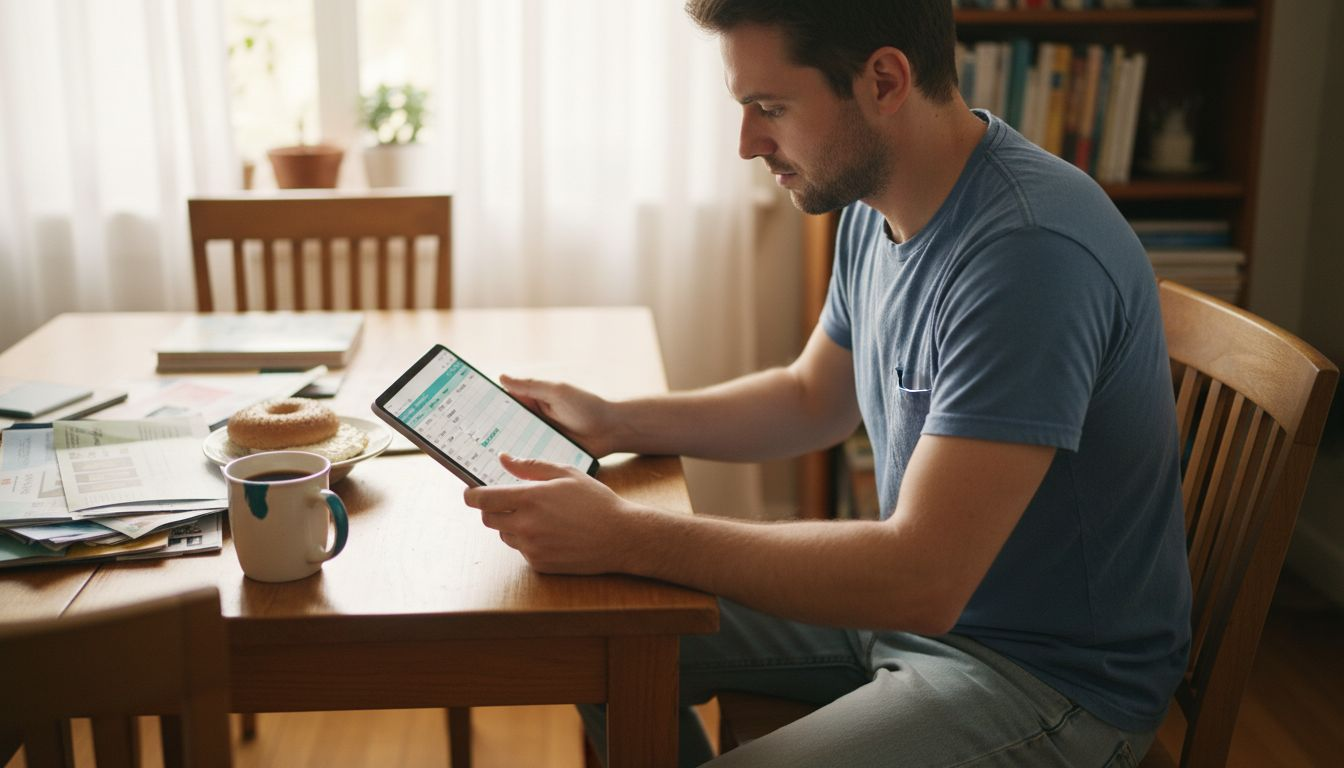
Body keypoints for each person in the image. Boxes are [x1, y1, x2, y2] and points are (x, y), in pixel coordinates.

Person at [462, 1, 1191, 765]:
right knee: (598, 627)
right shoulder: (877, 206)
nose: (747, 144)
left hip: (1046, 679)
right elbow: (813, 398)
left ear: (883, 80)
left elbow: (923, 579)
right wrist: (616, 421)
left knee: (624, 577)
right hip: (920, 614)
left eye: (769, 107)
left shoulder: (1029, 254)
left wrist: (630, 533)